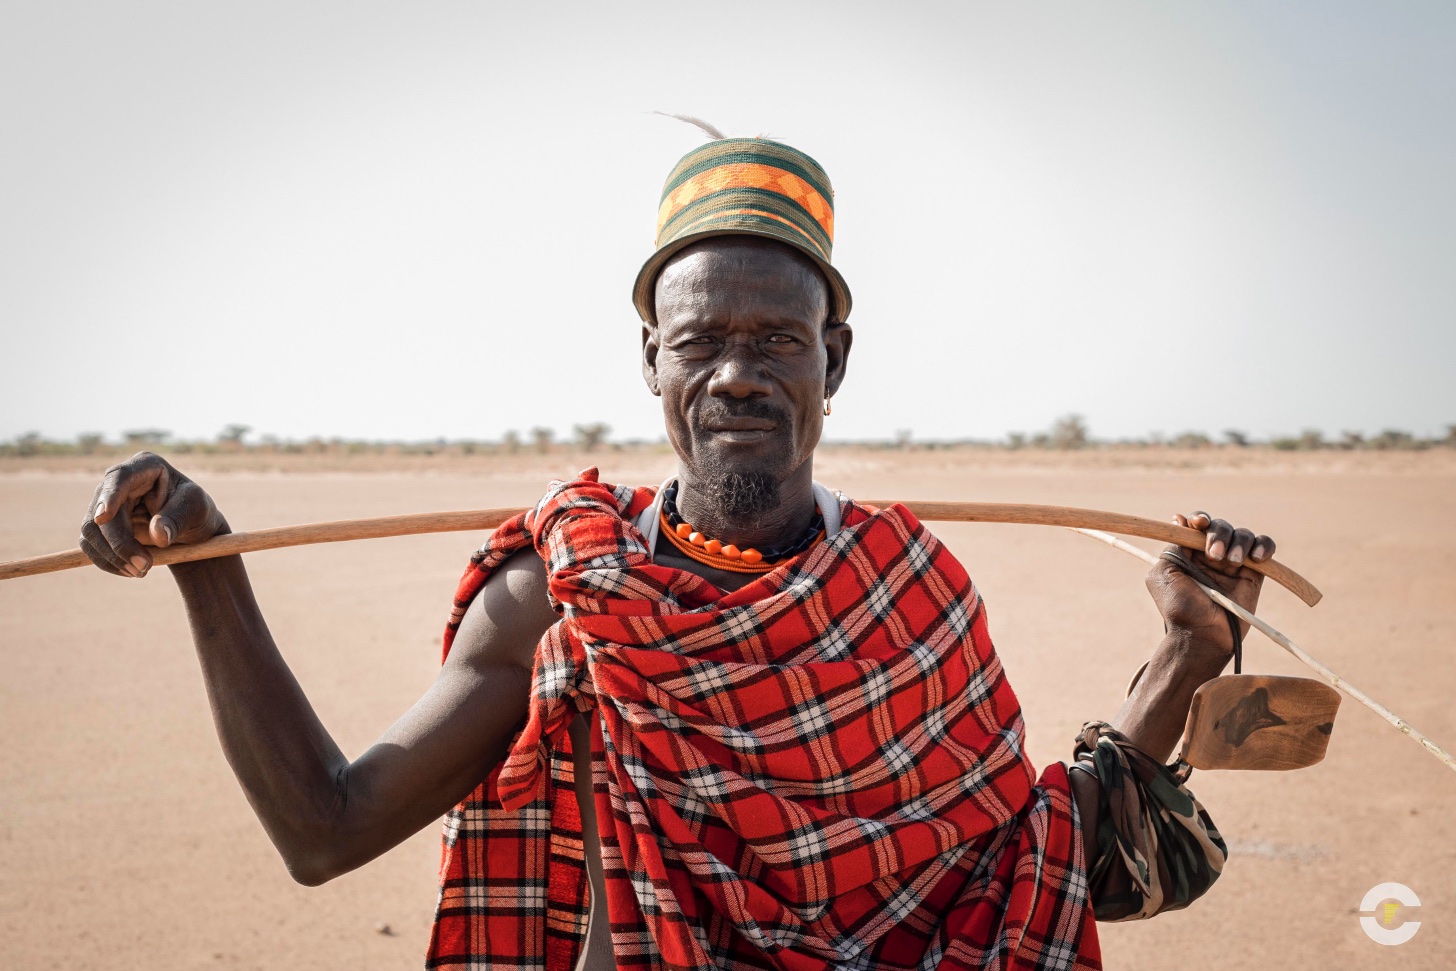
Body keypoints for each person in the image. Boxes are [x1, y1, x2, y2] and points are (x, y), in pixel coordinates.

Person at [79, 135, 1277, 970]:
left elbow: (1031, 860)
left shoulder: (909, 590)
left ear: (835, 360)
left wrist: (1183, 651)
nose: (739, 373)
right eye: (699, 340)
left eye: (779, 339)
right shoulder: (558, 596)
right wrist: (210, 566)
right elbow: (324, 828)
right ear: (649, 358)